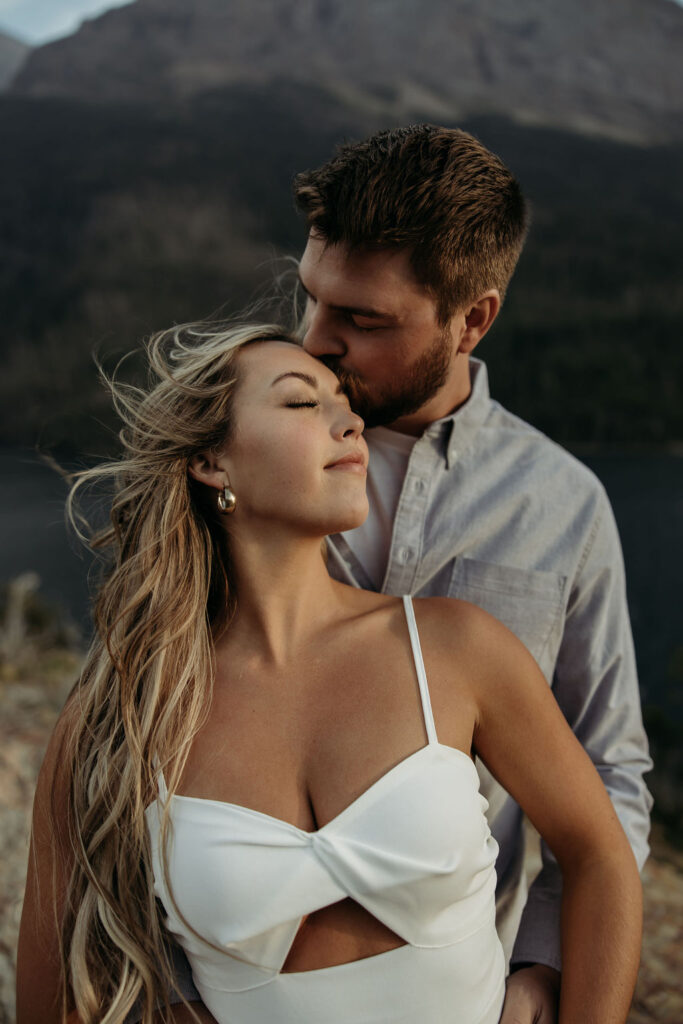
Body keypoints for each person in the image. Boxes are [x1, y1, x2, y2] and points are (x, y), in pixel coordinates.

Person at [139, 124, 653, 1023]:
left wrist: (544, 968)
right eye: (312, 299)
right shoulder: (265, 458)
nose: (316, 339)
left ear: (472, 319)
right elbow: (150, 726)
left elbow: (608, 775)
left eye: (363, 320)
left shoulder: (565, 508)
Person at [17, 321, 641, 1024]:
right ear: (211, 463)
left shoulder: (455, 649)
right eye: (301, 403)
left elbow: (599, 855)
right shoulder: (124, 709)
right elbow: (52, 993)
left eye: (344, 402)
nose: (350, 424)